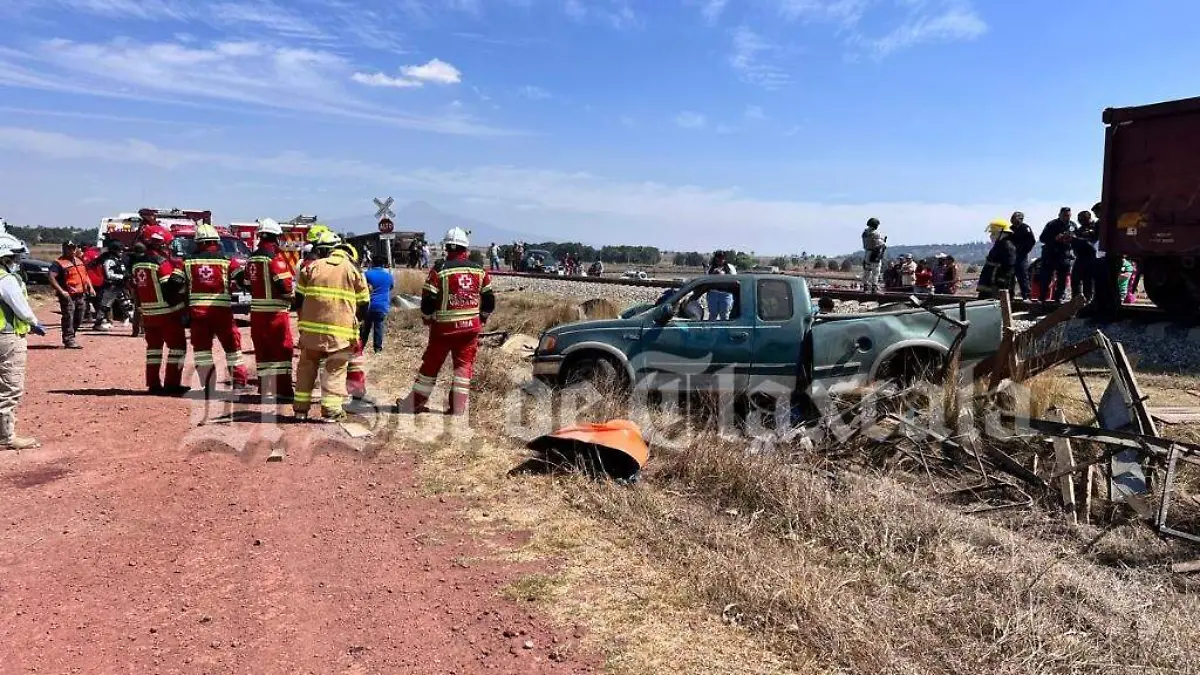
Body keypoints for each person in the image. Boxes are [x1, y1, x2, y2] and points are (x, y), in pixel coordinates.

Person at [399, 227, 495, 416]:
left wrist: (427, 318)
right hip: (470, 329)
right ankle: (458, 408)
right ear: (465, 249)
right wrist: (482, 317)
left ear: (447, 247)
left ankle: (414, 405)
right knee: (463, 368)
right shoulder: (479, 270)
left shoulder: (440, 269)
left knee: (430, 367)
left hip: (443, 329)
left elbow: (428, 299)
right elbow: (489, 299)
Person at [292, 232, 369, 421]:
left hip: (311, 332)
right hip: (340, 334)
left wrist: (304, 323)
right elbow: (364, 303)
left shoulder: (311, 267)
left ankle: (300, 410)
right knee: (335, 370)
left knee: (306, 368)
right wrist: (355, 321)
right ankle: (331, 411)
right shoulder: (352, 270)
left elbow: (299, 299)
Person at [174, 223, 249, 395]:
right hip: (222, 312)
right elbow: (242, 279)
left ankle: (208, 385)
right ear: (216, 241)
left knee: (202, 351)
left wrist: (184, 293)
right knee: (232, 349)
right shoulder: (227, 260)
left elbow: (174, 283)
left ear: (198, 242)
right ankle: (238, 382)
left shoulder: (187, 262)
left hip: (198, 314)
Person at [129, 226, 189, 395]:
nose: (168, 247)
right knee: (177, 348)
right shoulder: (161, 264)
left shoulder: (137, 264)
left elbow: (135, 289)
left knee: (153, 350)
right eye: (166, 244)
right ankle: (172, 384)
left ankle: (153, 384)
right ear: (159, 244)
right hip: (167, 314)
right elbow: (169, 289)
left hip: (148, 314)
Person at [0, 232, 46, 450]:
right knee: (10, 386)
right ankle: (5, 436)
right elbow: (20, 307)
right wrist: (34, 322)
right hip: (7, 337)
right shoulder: (5, 279)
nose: (17, 261)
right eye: (13, 257)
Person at [245, 218, 296, 399]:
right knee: (282, 350)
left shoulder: (251, 260)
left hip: (257, 314)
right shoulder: (275, 260)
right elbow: (286, 287)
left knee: (263, 351)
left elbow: (246, 284)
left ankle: (265, 390)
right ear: (275, 238)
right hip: (276, 314)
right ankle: (283, 390)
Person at [48, 241, 93, 349]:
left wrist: (90, 287)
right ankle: (69, 339)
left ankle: (71, 336)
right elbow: (51, 277)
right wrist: (61, 291)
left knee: (80, 316)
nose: (71, 250)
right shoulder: (59, 263)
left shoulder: (79, 261)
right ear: (64, 249)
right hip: (68, 295)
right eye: (69, 248)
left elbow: (85, 275)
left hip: (81, 294)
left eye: (73, 248)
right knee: (69, 316)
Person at [1037, 207, 1075, 303]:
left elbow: (1077, 238)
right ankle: (1042, 298)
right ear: (1060, 215)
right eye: (1064, 215)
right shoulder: (1052, 225)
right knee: (1046, 277)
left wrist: (1071, 238)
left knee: (1062, 279)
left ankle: (1059, 298)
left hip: (1064, 255)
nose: (1066, 218)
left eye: (1068, 216)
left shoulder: (1072, 225)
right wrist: (1055, 238)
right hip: (1051, 254)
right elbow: (1042, 238)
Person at [361, 251, 394, 353]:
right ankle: (377, 349)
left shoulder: (367, 274)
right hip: (382, 306)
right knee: (378, 327)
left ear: (372, 263)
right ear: (383, 264)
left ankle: (360, 348)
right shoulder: (389, 276)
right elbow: (391, 287)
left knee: (365, 328)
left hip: (368, 305)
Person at [977, 220, 1017, 300]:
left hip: (997, 288)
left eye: (994, 233)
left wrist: (1001, 284)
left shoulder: (1007, 247)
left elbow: (1009, 269)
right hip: (989, 287)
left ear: (1003, 233)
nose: (991, 236)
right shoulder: (999, 246)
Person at [93, 239, 127, 331]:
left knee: (127, 304)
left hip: (119, 286)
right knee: (105, 306)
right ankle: (98, 323)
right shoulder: (109, 261)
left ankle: (136, 324)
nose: (122, 252)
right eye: (120, 250)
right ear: (114, 251)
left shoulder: (118, 260)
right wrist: (123, 276)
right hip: (111, 287)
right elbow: (109, 275)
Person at [1071, 209, 1100, 302]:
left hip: (1091, 257)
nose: (1081, 221)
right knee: (1075, 279)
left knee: (1088, 280)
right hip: (1080, 257)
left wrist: (1079, 239)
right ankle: (1076, 299)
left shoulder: (1096, 227)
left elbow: (1093, 243)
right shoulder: (1080, 229)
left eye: (1083, 219)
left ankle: (1088, 299)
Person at [1009, 211, 1036, 300]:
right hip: (1012, 256)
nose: (1013, 220)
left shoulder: (1025, 228)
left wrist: (1024, 250)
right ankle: (1010, 296)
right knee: (1010, 277)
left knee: (1023, 276)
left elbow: (1031, 241)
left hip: (1021, 256)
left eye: (1016, 218)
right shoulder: (1010, 229)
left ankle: (1026, 296)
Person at [706, 251, 737, 320]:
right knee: (712, 315)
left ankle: (725, 330)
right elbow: (706, 280)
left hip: (726, 294)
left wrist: (723, 276)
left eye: (722, 258)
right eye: (718, 258)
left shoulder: (730, 268)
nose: (720, 260)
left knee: (725, 315)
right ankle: (711, 330)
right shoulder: (711, 268)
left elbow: (734, 280)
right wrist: (714, 274)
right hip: (713, 294)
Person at [861, 217, 886, 293]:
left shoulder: (864, 233)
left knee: (867, 271)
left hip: (867, 253)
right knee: (876, 272)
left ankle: (865, 287)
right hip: (875, 254)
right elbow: (880, 244)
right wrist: (883, 241)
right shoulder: (875, 233)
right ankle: (874, 288)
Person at [82, 243, 104, 324]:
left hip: (91, 280)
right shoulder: (98, 254)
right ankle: (101, 319)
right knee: (99, 300)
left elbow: (84, 268)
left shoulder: (86, 254)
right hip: (100, 279)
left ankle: (90, 317)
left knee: (88, 300)